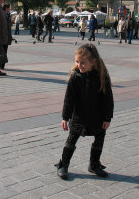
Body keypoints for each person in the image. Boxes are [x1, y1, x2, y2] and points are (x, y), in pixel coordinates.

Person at [55, 44, 114, 180]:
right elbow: (69, 99)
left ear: (93, 62)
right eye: (77, 62)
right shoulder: (75, 78)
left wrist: (107, 118)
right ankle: (63, 164)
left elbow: (108, 100)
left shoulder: (101, 77)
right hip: (79, 116)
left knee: (99, 138)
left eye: (83, 63)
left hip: (97, 116)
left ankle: (94, 164)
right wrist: (65, 117)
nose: (79, 65)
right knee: (71, 139)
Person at [0, 4, 13, 70]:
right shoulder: (3, 15)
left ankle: (2, 64)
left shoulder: (7, 15)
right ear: (6, 9)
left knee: (4, 50)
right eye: (9, 8)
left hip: (7, 36)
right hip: (4, 36)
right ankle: (1, 65)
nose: (9, 10)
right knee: (3, 51)